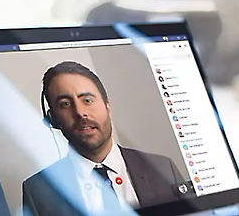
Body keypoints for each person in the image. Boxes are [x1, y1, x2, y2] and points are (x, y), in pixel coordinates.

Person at [23, 61, 188, 216]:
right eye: (65, 104)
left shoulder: (164, 168)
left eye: (87, 100)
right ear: (53, 119)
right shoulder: (36, 190)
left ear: (108, 106)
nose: (80, 113)